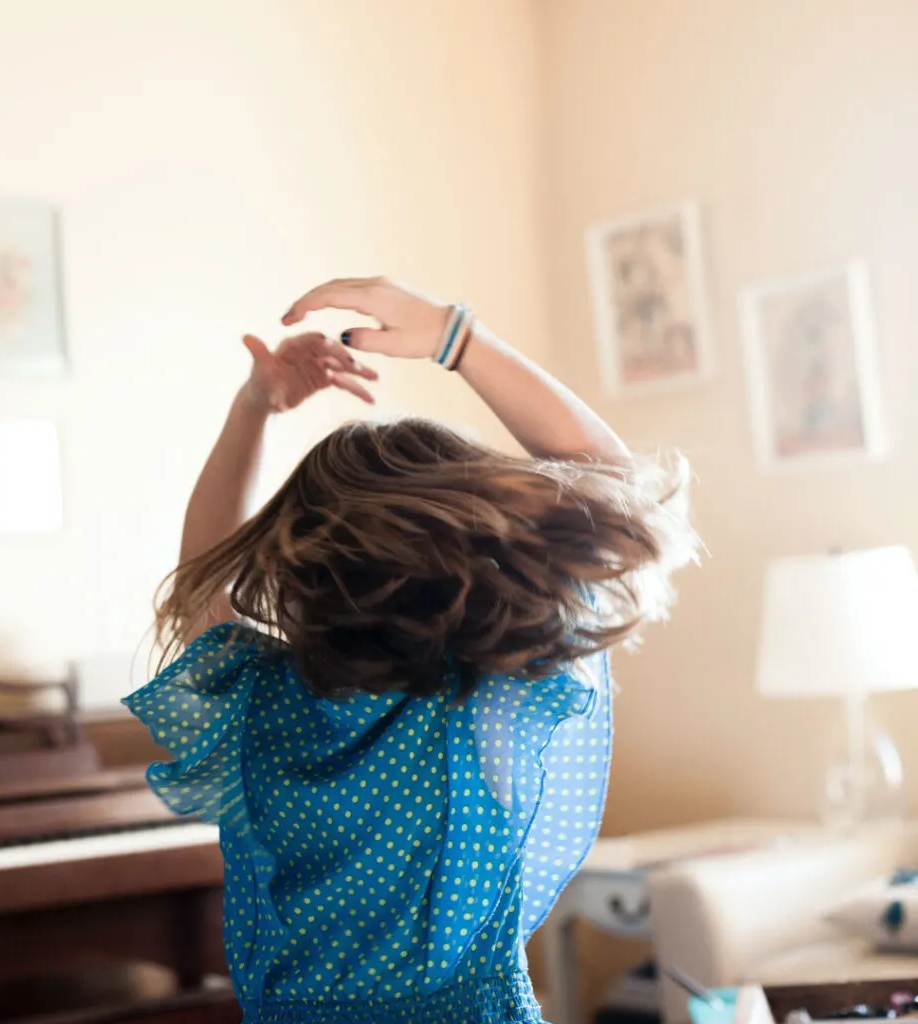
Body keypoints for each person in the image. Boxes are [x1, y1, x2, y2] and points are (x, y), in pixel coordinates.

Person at [122, 277, 698, 1024]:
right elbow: (624, 490)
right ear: (469, 549)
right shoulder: (493, 696)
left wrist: (254, 408)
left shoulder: (256, 704)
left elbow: (199, 581)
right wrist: (456, 340)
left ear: (302, 570)